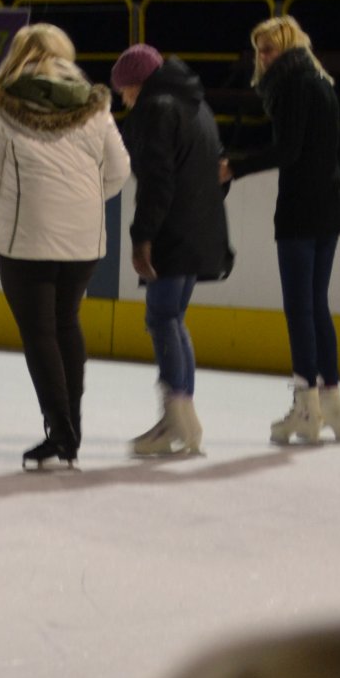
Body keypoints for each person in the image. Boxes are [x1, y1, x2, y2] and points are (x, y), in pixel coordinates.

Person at [0, 23, 130, 468]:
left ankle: (61, 431)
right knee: (66, 324)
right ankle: (72, 429)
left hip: (26, 240)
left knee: (40, 334)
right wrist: (85, 201)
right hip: (84, 241)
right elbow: (120, 169)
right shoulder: (95, 104)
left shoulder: (3, 103)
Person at [221, 14, 340, 446]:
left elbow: (287, 149)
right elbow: (336, 152)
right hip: (329, 207)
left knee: (300, 308)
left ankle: (306, 407)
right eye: (259, 49)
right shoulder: (321, 82)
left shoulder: (293, 85)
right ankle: (332, 401)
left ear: (288, 47)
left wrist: (234, 167)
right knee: (316, 304)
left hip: (302, 210)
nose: (263, 57)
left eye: (269, 49)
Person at [111, 43, 233, 458]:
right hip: (201, 227)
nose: (123, 99)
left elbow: (157, 181)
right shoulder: (197, 106)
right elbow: (221, 172)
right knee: (173, 318)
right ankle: (180, 418)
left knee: (162, 317)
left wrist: (142, 237)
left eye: (124, 90)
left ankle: (178, 419)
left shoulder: (156, 108)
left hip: (173, 231)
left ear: (136, 84)